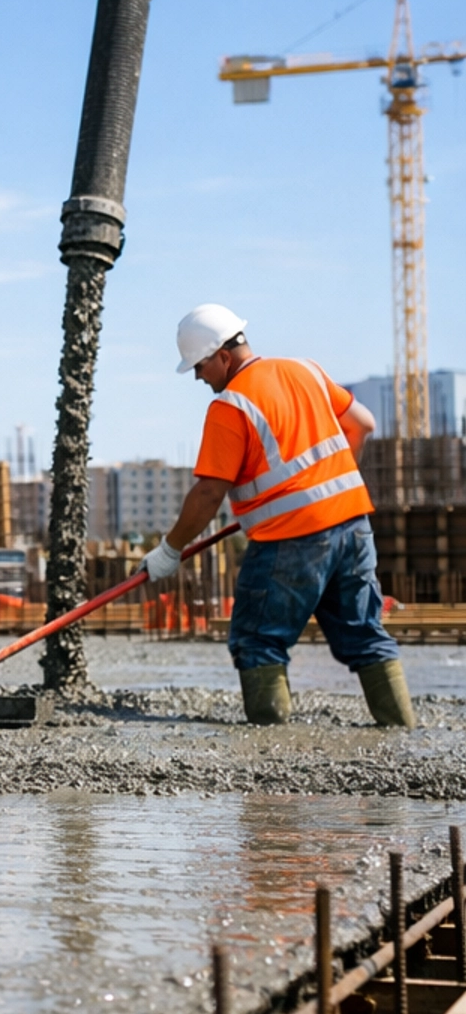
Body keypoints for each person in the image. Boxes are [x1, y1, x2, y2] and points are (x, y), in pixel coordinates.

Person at [144, 304, 414, 728]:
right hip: (353, 526)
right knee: (365, 634)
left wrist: (170, 548)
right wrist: (332, 483)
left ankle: (271, 747)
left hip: (291, 539)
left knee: (258, 640)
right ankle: (403, 734)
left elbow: (209, 491)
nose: (199, 377)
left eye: (199, 366)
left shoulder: (231, 406)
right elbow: (363, 424)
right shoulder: (306, 370)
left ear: (223, 357)